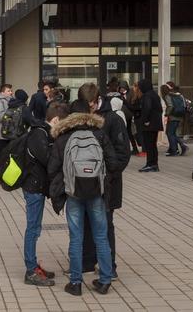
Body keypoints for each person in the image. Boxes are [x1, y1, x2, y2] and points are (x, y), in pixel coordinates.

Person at [47, 97, 120, 295]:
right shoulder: (99, 134)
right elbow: (114, 163)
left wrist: (63, 182)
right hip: (97, 193)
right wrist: (103, 180)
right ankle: (105, 280)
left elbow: (52, 168)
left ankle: (76, 283)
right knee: (101, 237)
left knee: (76, 238)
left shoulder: (63, 137)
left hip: (73, 194)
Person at [77, 84, 131, 284]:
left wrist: (109, 175)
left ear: (97, 99)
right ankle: (87, 262)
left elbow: (123, 152)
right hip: (84, 181)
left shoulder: (113, 119)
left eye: (91, 104)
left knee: (106, 224)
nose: (89, 108)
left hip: (108, 182)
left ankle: (110, 266)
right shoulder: (81, 115)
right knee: (86, 222)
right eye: (86, 105)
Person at [16, 93, 56, 288]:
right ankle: (31, 270)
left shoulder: (38, 129)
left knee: (35, 227)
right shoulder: (39, 132)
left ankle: (33, 266)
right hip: (34, 187)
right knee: (33, 228)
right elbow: (47, 159)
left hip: (35, 186)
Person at [136, 77, 163, 171]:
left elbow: (147, 108)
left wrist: (145, 120)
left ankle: (150, 164)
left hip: (149, 124)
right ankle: (154, 164)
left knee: (149, 145)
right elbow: (160, 109)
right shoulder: (155, 95)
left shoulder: (147, 96)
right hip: (155, 124)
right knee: (153, 144)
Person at [161, 81, 186, 157]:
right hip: (180, 116)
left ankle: (177, 149)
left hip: (172, 117)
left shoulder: (168, 96)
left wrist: (166, 114)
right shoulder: (179, 95)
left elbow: (170, 106)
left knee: (170, 133)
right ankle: (175, 149)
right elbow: (184, 105)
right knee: (172, 133)